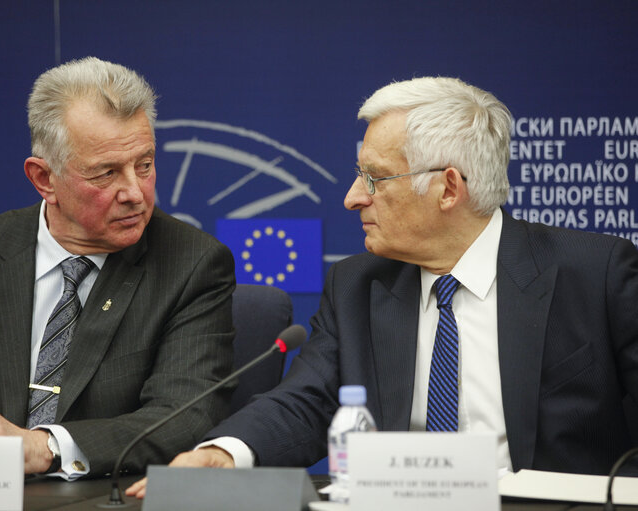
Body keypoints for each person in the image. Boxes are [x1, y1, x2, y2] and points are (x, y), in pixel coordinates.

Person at [127, 76, 638, 497]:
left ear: (448, 188)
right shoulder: (356, 284)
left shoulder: (596, 276)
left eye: (375, 179)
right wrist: (224, 455)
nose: (353, 198)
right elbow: (307, 402)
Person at [0, 57, 236, 480]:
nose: (135, 192)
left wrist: (44, 446)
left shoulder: (191, 263)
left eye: (145, 164)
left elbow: (183, 417)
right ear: (44, 179)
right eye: (106, 173)